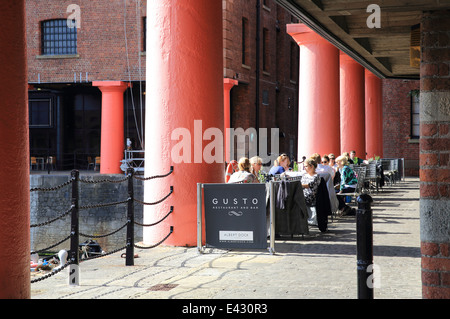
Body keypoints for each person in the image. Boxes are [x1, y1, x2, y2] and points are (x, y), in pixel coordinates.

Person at [301, 158, 321, 225]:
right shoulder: (304, 175)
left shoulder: (317, 176)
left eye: (306, 166)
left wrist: (300, 185)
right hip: (303, 195)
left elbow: (309, 185)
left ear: (312, 166)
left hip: (311, 196)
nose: (305, 168)